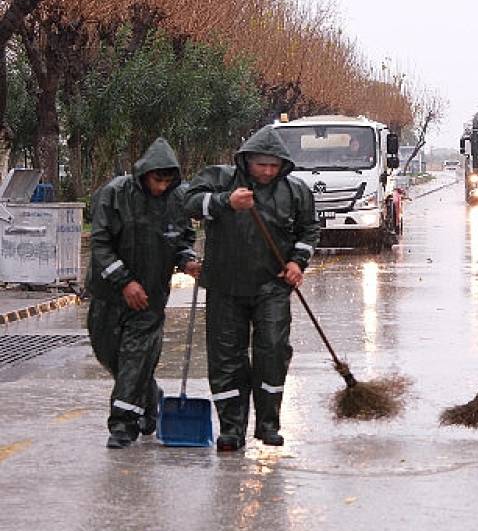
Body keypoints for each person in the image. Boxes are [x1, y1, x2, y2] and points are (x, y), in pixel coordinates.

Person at [184, 126, 319, 452]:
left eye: (274, 166)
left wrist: (297, 261)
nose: (268, 172)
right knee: (226, 358)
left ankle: (268, 424)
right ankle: (231, 428)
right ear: (248, 161)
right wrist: (224, 202)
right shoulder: (220, 179)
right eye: (262, 165)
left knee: (272, 350)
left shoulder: (295, 191)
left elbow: (309, 230)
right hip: (224, 285)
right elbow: (188, 203)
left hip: (272, 286)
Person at [87, 137, 200, 449]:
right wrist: (124, 281)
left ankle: (123, 425)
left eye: (167, 181)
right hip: (108, 294)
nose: (161, 187)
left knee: (135, 359)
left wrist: (188, 259)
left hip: (149, 299)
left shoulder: (178, 199)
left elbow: (183, 238)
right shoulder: (115, 194)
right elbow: (100, 242)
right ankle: (150, 396)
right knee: (110, 355)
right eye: (156, 179)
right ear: (144, 173)